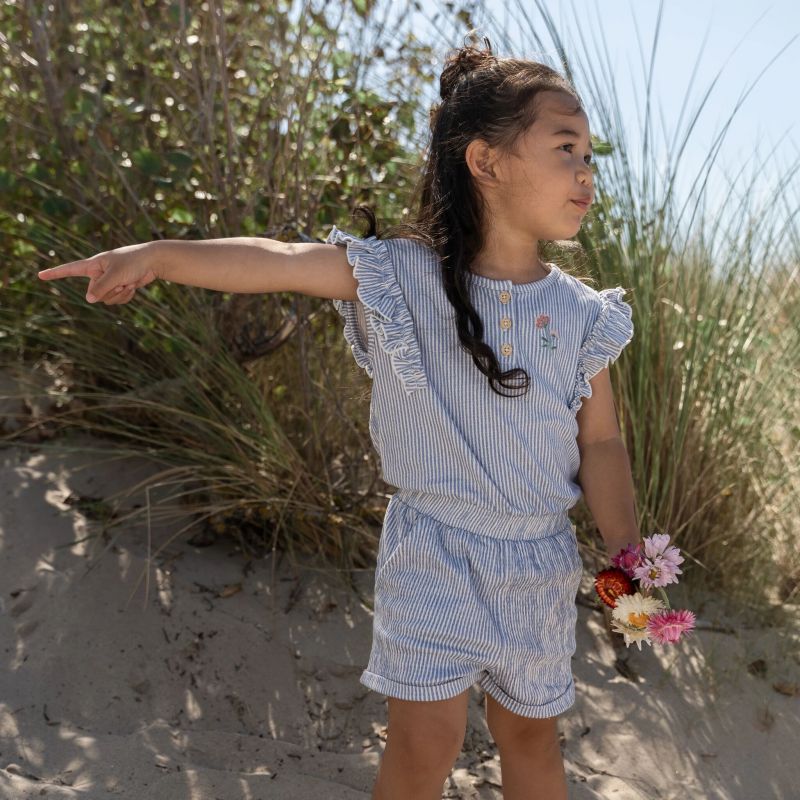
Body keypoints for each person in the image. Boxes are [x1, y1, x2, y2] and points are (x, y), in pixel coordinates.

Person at [37, 33, 642, 800]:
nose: (586, 171)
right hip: (435, 551)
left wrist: (627, 559)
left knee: (532, 739)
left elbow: (602, 442)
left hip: (537, 561)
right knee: (426, 742)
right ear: (486, 162)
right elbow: (279, 261)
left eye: (589, 154)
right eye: (565, 148)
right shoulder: (402, 277)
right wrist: (156, 255)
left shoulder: (583, 314)